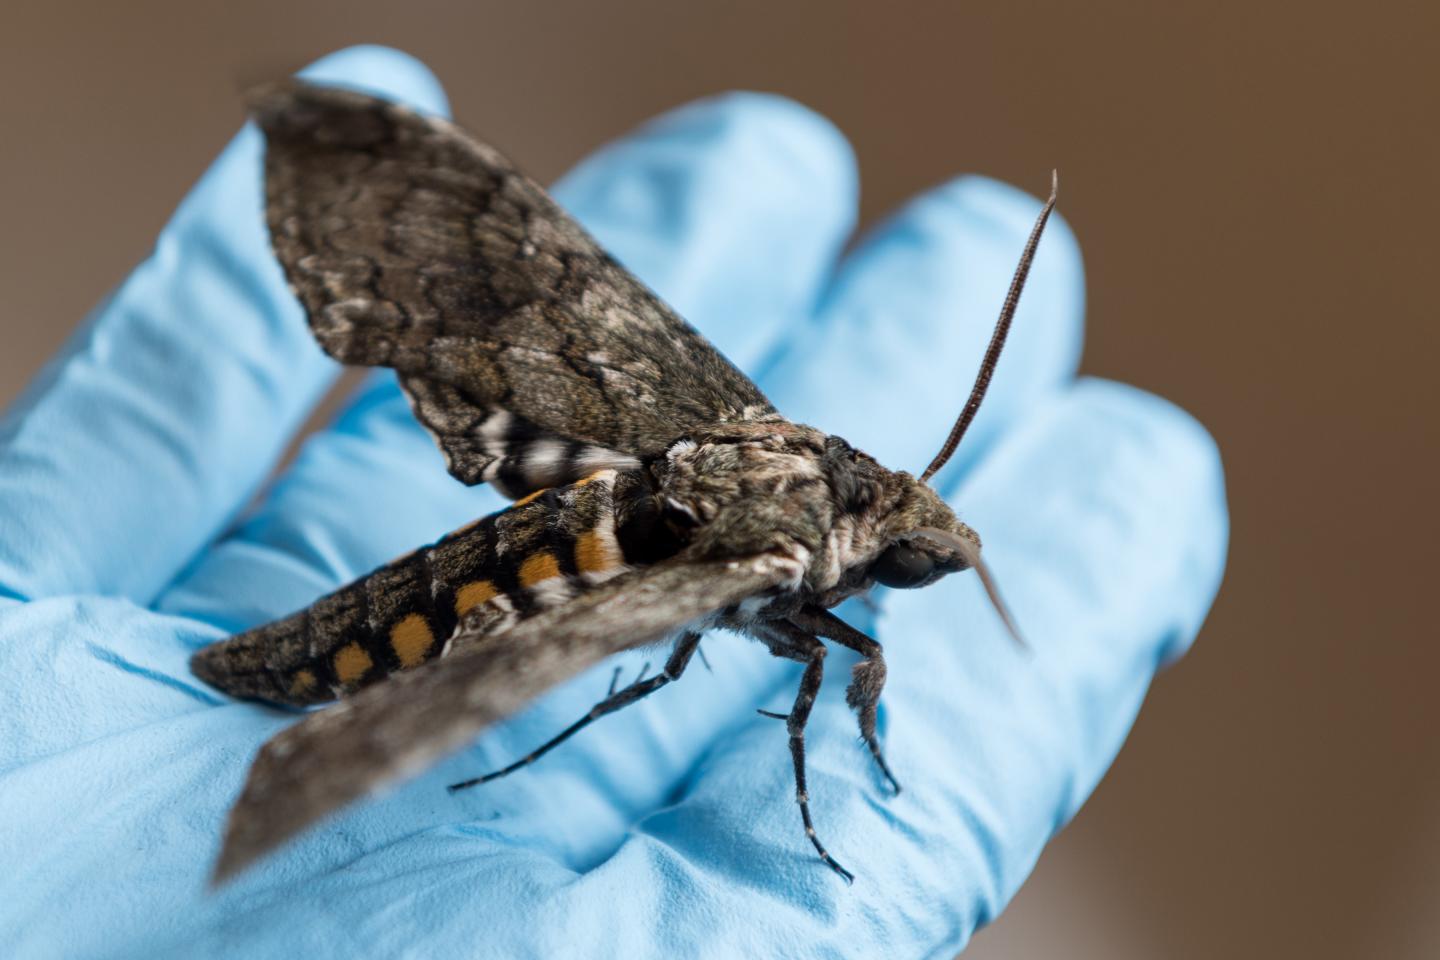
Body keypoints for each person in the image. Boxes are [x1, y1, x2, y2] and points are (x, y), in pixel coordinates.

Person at [0, 46, 1227, 958]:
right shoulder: (798, 586)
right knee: (711, 654)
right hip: (395, 642)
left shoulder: (769, 444)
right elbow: (792, 662)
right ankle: (332, 729)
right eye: (904, 564)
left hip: (545, 539)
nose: (912, 571)